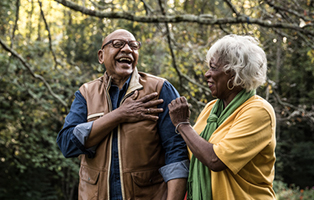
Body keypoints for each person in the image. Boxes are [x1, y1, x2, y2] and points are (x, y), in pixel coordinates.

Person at [57, 29, 189, 200]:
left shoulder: (160, 89)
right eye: (118, 44)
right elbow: (67, 144)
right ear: (101, 56)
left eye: (133, 46)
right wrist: (119, 115)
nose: (127, 49)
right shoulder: (86, 93)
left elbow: (176, 151)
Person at [168, 35, 276, 200]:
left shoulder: (258, 112)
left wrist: (183, 125)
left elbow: (215, 160)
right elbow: (191, 150)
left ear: (235, 74)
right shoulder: (211, 109)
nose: (207, 74)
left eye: (213, 68)